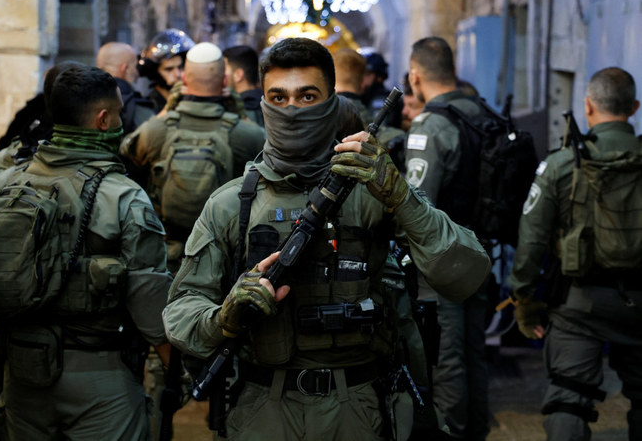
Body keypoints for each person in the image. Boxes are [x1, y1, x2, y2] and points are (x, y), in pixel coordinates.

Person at [161, 37, 491, 441]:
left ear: (332, 101)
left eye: (308, 96)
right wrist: (223, 316)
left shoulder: (376, 190)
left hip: (359, 407)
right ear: (262, 104)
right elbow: (180, 312)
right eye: (278, 97)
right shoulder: (232, 204)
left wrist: (403, 199)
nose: (292, 110)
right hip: (263, 407)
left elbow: (467, 274)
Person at [0, 64, 172, 440]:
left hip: (22, 375)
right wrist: (177, 371)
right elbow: (151, 308)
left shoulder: (4, 183)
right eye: (117, 115)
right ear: (102, 120)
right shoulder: (125, 197)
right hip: (102, 383)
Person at [508, 67, 642, 441]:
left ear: (587, 107)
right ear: (634, 107)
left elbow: (531, 241)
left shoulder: (560, 165)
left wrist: (524, 299)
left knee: (569, 399)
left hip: (579, 305)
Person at [405, 36, 490, 441]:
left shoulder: (430, 125)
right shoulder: (481, 111)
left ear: (415, 75)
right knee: (475, 353)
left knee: (447, 359)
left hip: (443, 263)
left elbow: (416, 205)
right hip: (482, 254)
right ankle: (475, 431)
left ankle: (451, 434)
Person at [121, 41, 265, 270]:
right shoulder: (244, 135)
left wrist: (169, 107)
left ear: (184, 80)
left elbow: (128, 148)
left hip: (170, 258)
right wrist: (238, 110)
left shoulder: (157, 131)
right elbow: (266, 150)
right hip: (224, 258)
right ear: (225, 82)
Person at [97, 41, 155, 135]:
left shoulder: (86, 99)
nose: (137, 73)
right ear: (125, 68)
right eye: (135, 66)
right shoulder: (136, 106)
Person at [138, 29, 195, 113]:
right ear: (155, 73)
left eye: (180, 67)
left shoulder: (191, 100)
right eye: (169, 69)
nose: (178, 74)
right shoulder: (147, 108)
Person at [223, 45, 265, 127]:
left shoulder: (240, 112)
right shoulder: (267, 104)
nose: (219, 74)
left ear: (238, 75)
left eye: (223, 69)